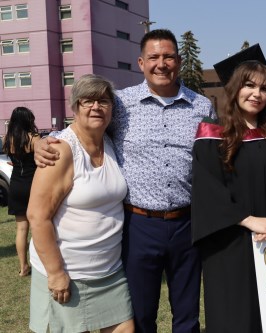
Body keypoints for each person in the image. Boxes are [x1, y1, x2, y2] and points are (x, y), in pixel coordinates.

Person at [34, 29, 214, 333]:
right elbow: (84, 125)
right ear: (141, 62)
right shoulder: (120, 104)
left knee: (187, 315)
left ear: (179, 61)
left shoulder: (203, 107)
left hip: (187, 224)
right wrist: (44, 140)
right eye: (154, 57)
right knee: (141, 314)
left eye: (168, 56)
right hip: (139, 226)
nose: (161, 63)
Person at [191, 45, 266, 333]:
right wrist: (248, 220)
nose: (256, 94)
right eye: (248, 86)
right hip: (230, 240)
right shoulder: (212, 134)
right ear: (235, 89)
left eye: (264, 88)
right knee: (236, 315)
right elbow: (207, 188)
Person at [27, 74, 134, 332]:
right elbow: (37, 216)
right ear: (74, 107)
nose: (96, 107)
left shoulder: (109, 142)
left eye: (103, 101)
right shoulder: (61, 150)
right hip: (69, 272)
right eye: (87, 101)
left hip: (109, 272)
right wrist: (55, 273)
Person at [2, 106, 40, 277]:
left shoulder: (7, 139)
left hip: (16, 185)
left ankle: (23, 267)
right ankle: (41, 265)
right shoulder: (34, 139)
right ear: (27, 120)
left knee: (21, 229)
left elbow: (14, 161)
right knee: (40, 226)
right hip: (34, 185)